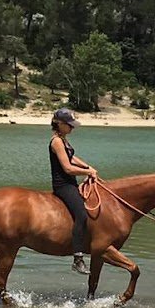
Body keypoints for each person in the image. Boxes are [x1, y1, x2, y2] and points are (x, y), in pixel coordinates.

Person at [49, 108, 98, 274]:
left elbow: (72, 157)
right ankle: (78, 258)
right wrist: (87, 172)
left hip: (71, 183)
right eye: (69, 125)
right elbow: (68, 168)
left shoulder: (63, 140)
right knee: (81, 215)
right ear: (59, 124)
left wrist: (87, 166)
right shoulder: (56, 141)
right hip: (63, 185)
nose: (72, 128)